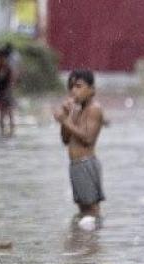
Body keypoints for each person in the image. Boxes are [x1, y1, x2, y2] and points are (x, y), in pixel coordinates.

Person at [53, 69, 105, 221]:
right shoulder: (78, 110)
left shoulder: (94, 109)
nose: (73, 91)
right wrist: (67, 115)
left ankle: (93, 242)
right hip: (75, 165)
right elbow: (65, 139)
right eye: (71, 87)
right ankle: (87, 242)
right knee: (83, 210)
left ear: (92, 90)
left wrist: (64, 120)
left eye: (78, 86)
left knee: (91, 210)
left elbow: (88, 138)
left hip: (86, 164)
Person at [0, 48, 15, 137]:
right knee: (2, 112)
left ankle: (11, 129)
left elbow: (11, 80)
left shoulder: (7, 68)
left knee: (8, 111)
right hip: (0, 92)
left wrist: (8, 91)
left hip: (6, 92)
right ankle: (2, 130)